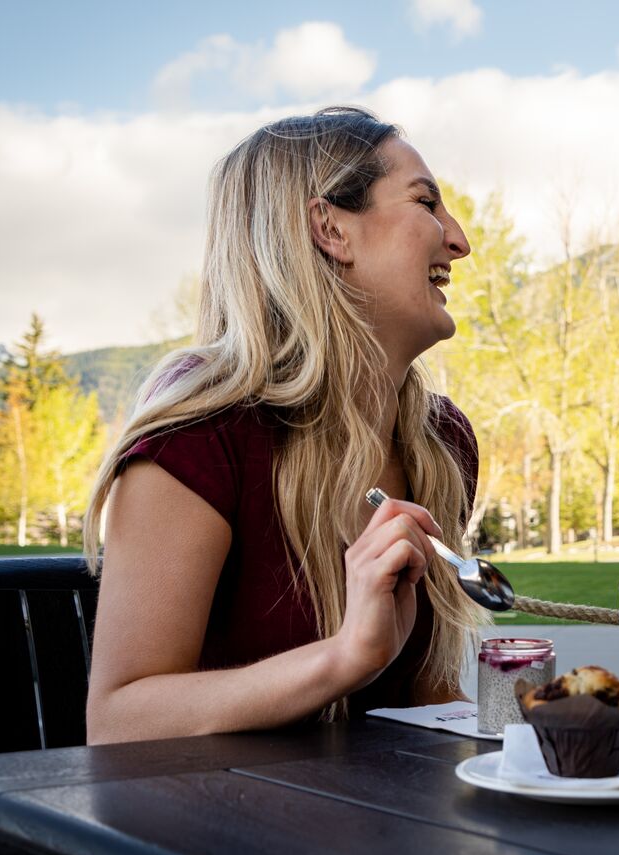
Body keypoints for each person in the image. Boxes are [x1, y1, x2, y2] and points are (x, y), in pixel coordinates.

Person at [82, 107, 480, 744]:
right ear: (330, 228)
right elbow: (119, 719)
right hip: (220, 829)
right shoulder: (199, 435)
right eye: (426, 202)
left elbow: (427, 701)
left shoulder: (441, 442)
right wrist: (344, 657)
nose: (458, 238)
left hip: (390, 832)